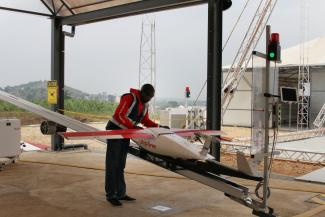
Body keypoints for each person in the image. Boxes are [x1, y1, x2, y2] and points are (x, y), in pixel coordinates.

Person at [105, 84, 168, 206]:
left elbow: (146, 121)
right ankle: (111, 195)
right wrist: (133, 127)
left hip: (126, 133)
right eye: (148, 96)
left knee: (120, 164)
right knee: (112, 164)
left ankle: (121, 194)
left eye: (151, 97)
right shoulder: (129, 98)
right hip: (115, 132)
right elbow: (119, 115)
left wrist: (159, 127)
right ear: (142, 93)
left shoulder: (145, 105)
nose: (149, 98)